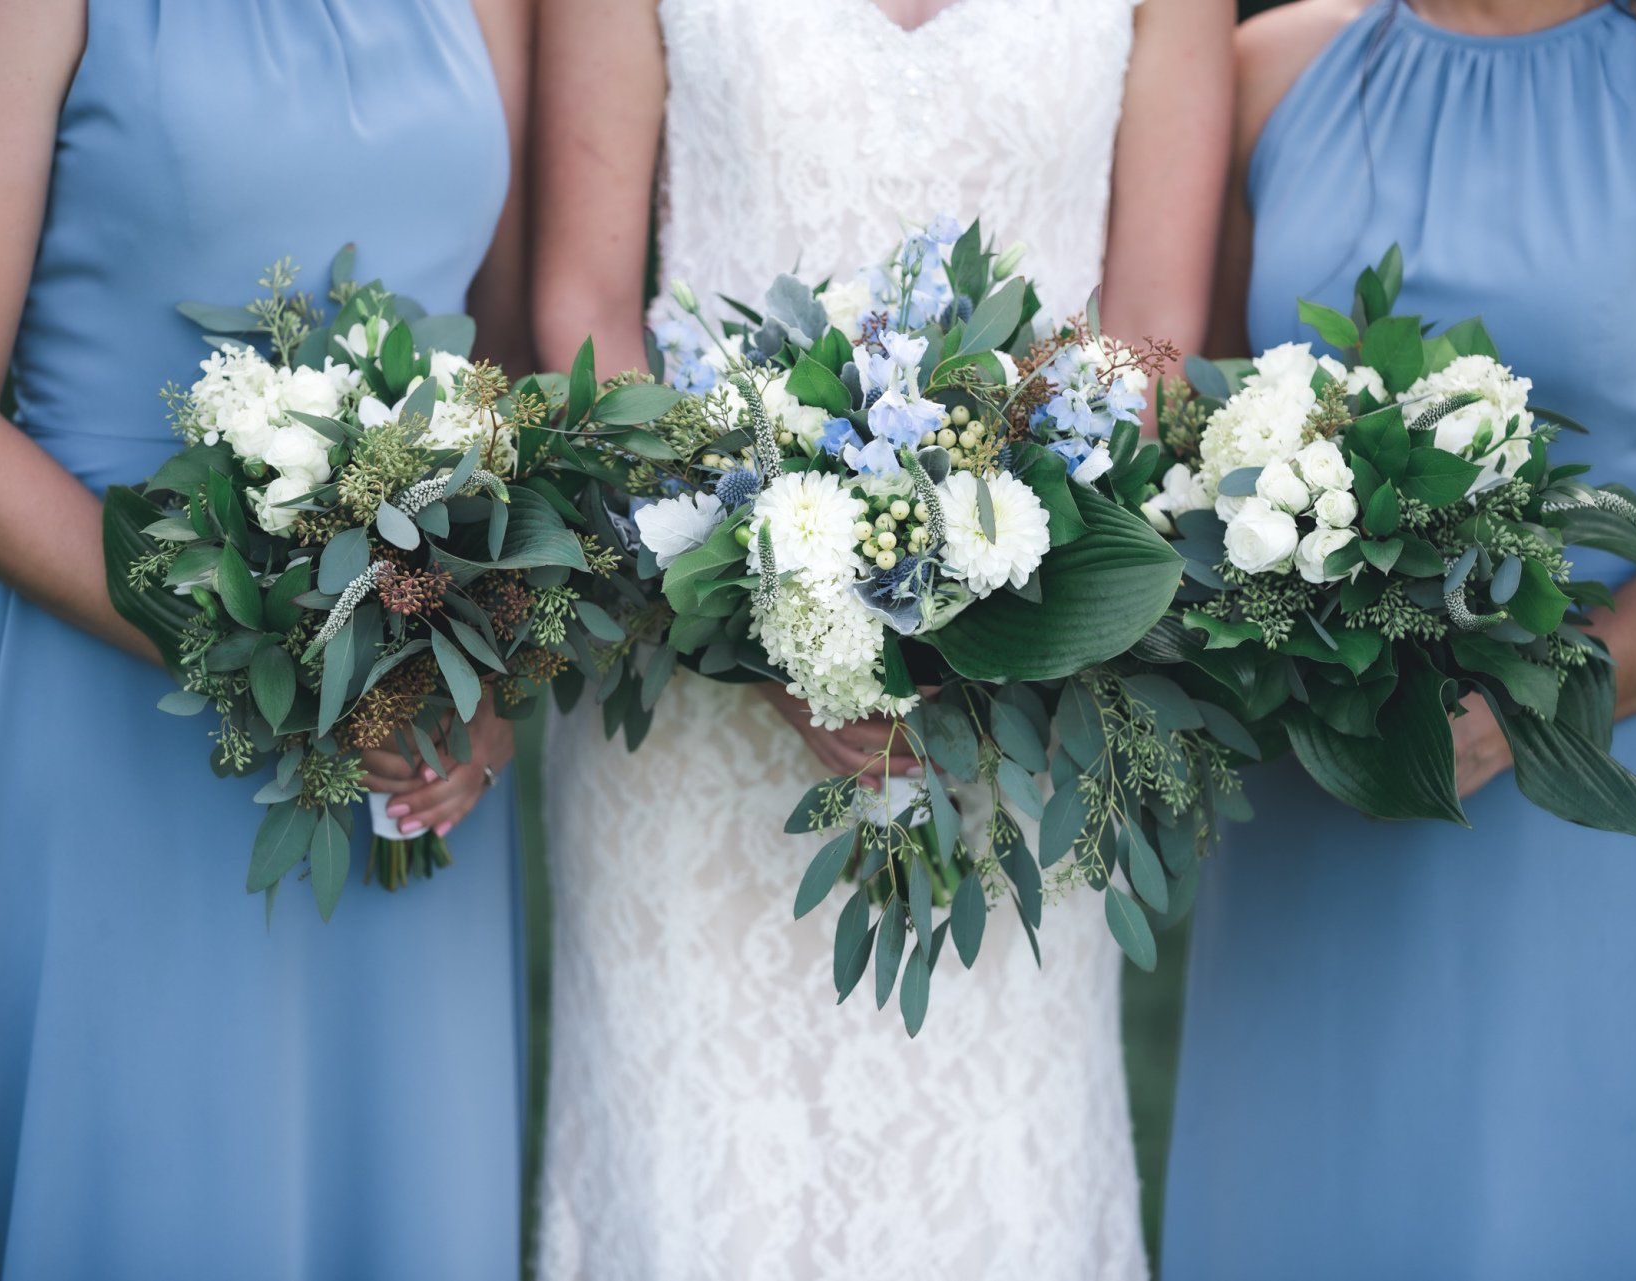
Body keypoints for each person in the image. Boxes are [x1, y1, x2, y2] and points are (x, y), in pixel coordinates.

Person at [0, 1, 533, 1275]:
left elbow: (520, 365)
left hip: (414, 736)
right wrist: (276, 644)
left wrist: (505, 662)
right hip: (117, 682)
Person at [527, 0, 1230, 1275]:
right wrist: (755, 601)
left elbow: (1154, 337)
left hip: (1016, 699)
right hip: (691, 690)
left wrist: (980, 622)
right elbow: (585, 304)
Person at [1163, 1, 1636, 1275]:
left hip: (1611, 787)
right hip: (1315, 799)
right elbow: (1184, 447)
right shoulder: (1274, 69)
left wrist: (1527, 711)